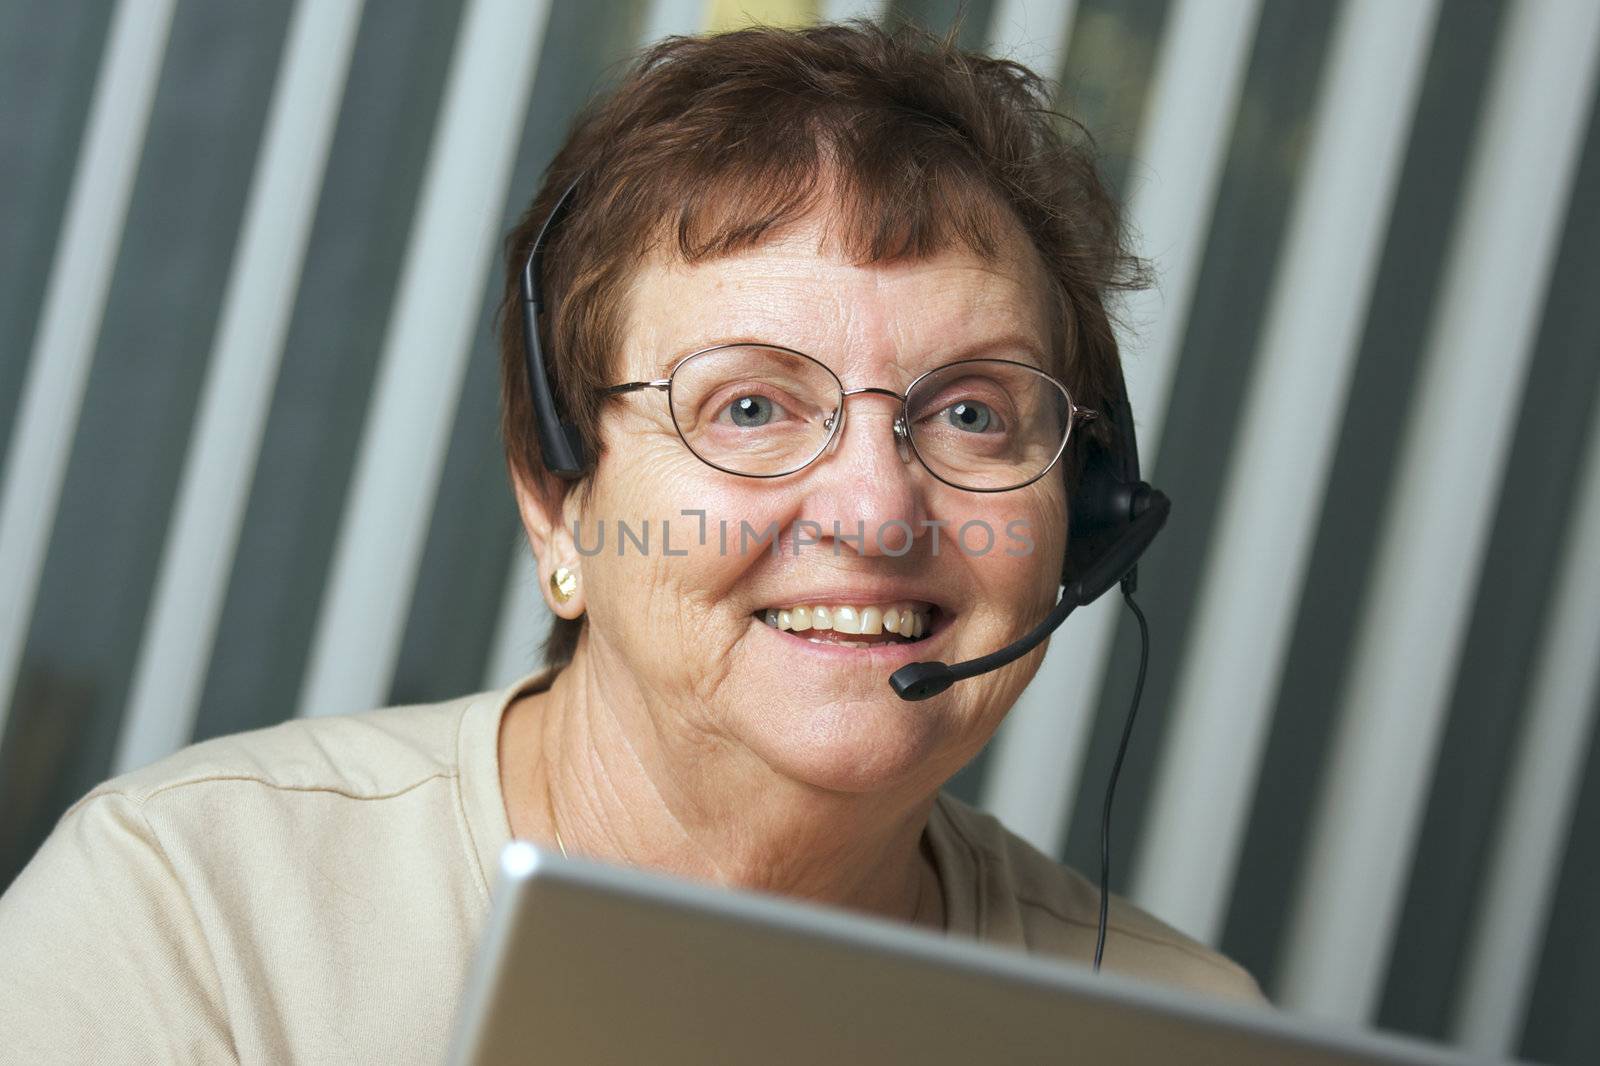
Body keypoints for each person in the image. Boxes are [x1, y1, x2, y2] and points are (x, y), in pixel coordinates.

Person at [0, 20, 1262, 1063]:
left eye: (973, 411)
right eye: (752, 407)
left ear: (1085, 515)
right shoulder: (192, 916)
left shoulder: (1183, 1030)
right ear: (560, 501)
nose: (877, 512)